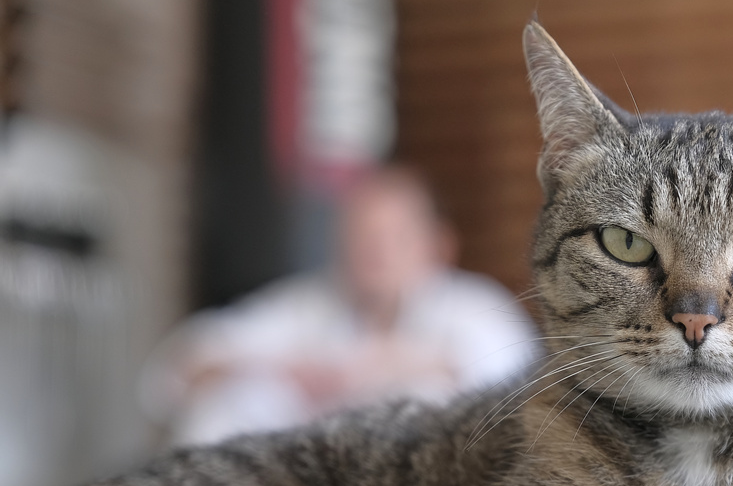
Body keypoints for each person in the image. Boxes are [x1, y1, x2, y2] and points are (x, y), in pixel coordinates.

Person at [144, 167, 538, 445]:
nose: (373, 251)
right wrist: (282, 371)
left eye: (391, 236)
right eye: (360, 234)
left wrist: (373, 368)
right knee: (235, 400)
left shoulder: (476, 307)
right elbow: (182, 363)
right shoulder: (304, 305)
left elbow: (514, 386)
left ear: (437, 244)